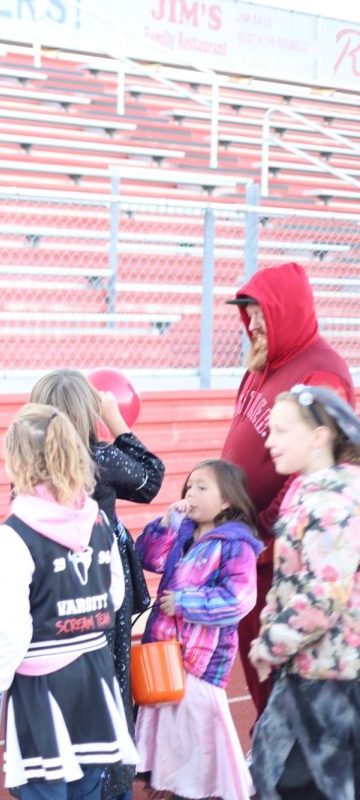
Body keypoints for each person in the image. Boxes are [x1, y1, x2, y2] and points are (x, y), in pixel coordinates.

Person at [0, 403, 135, 800]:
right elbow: (114, 595)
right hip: (95, 673)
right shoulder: (97, 518)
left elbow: (12, 627)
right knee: (86, 787)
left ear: (16, 462)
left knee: (41, 789)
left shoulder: (14, 533)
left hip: (44, 683)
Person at [220, 262, 354, 717]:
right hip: (249, 550)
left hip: (275, 555)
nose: (251, 323)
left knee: (283, 686)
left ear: (286, 312)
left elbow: (312, 471)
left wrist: (258, 531)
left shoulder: (321, 374)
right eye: (248, 312)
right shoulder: (264, 361)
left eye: (259, 313)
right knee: (259, 673)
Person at [29, 368, 164, 800]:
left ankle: (60, 771)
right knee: (111, 680)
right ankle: (109, 781)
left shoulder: (31, 465)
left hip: (55, 586)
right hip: (104, 583)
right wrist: (119, 422)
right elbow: (151, 479)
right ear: (88, 413)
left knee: (61, 676)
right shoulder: (98, 459)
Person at [248, 385, 360, 800]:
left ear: (319, 437)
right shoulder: (313, 492)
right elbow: (292, 582)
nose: (269, 441)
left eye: (280, 431)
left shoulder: (329, 502)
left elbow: (322, 596)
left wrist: (269, 646)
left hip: (328, 677)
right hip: (314, 670)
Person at [133, 459, 260, 800]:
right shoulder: (182, 533)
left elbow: (240, 598)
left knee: (199, 740)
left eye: (203, 487)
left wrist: (187, 602)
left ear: (227, 501)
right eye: (190, 486)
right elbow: (146, 558)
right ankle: (173, 789)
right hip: (165, 660)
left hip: (200, 664)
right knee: (170, 738)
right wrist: (165, 523)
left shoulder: (236, 544)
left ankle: (201, 792)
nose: (191, 492)